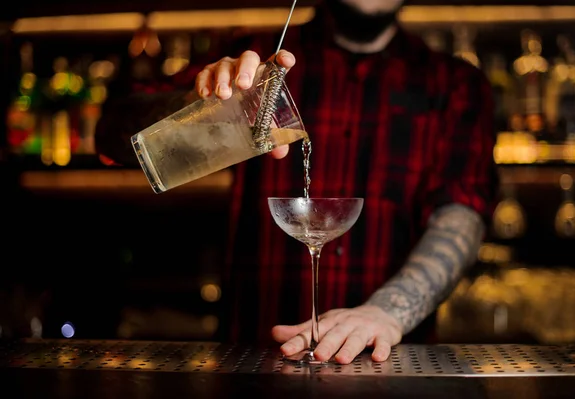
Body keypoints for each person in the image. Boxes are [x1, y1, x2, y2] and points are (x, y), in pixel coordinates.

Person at [96, 0, 498, 365]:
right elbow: (110, 137)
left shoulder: (456, 84)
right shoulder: (256, 61)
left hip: (392, 360)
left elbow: (462, 213)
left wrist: (388, 311)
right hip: (253, 360)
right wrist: (191, 107)